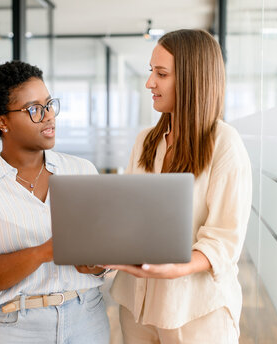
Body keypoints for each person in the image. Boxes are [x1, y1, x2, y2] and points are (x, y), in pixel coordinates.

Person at [0, 61, 110, 344]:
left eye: (49, 104)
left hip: (88, 320)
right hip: (15, 328)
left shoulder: (82, 171)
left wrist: (98, 264)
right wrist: (44, 252)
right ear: (2, 121)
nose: (48, 117)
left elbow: (104, 249)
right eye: (34, 109)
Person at [105, 29, 252, 343]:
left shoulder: (224, 144)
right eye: (151, 72)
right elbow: (131, 215)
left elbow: (225, 240)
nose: (149, 83)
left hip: (195, 310)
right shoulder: (146, 140)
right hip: (137, 305)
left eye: (161, 74)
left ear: (191, 79)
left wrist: (176, 267)